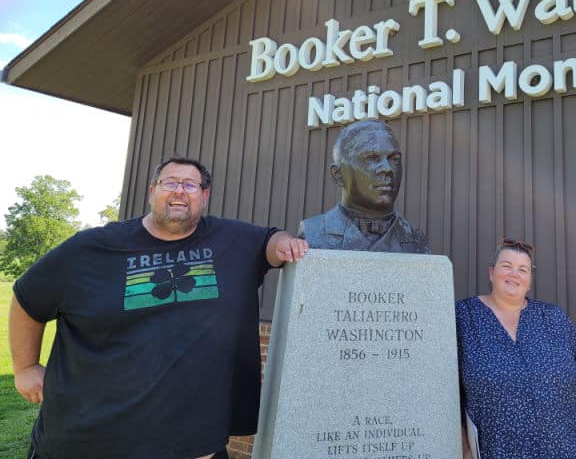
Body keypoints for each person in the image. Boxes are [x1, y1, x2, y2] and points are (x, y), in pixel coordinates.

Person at [9, 156, 308, 459]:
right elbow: (27, 298)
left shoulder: (232, 240)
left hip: (193, 444)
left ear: (204, 196)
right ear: (152, 191)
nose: (180, 190)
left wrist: (284, 244)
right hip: (87, 438)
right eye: (170, 183)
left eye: (190, 184)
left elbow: (270, 240)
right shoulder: (91, 248)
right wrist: (25, 367)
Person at [456, 238, 576, 459]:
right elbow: (449, 390)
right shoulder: (464, 317)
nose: (514, 274)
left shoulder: (555, 318)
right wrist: (463, 447)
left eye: (523, 269)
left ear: (530, 281)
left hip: (565, 450)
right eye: (506, 266)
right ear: (491, 273)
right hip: (498, 451)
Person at [298, 120, 430, 253]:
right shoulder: (313, 233)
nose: (387, 168)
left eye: (394, 159)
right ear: (338, 174)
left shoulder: (417, 240)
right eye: (371, 158)